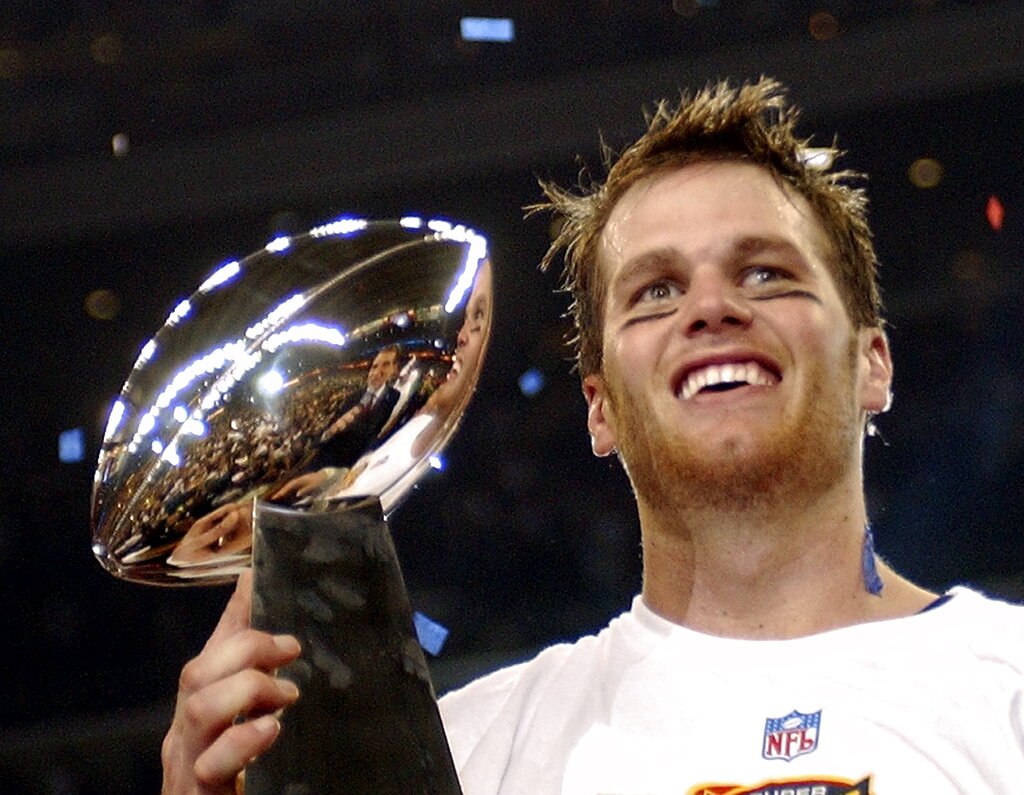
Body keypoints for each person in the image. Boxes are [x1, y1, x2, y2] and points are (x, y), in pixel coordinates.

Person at [161, 78, 1024, 794]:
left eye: (766, 273)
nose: (712, 309)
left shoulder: (1007, 684)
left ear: (874, 361)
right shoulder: (461, 758)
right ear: (599, 407)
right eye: (655, 291)